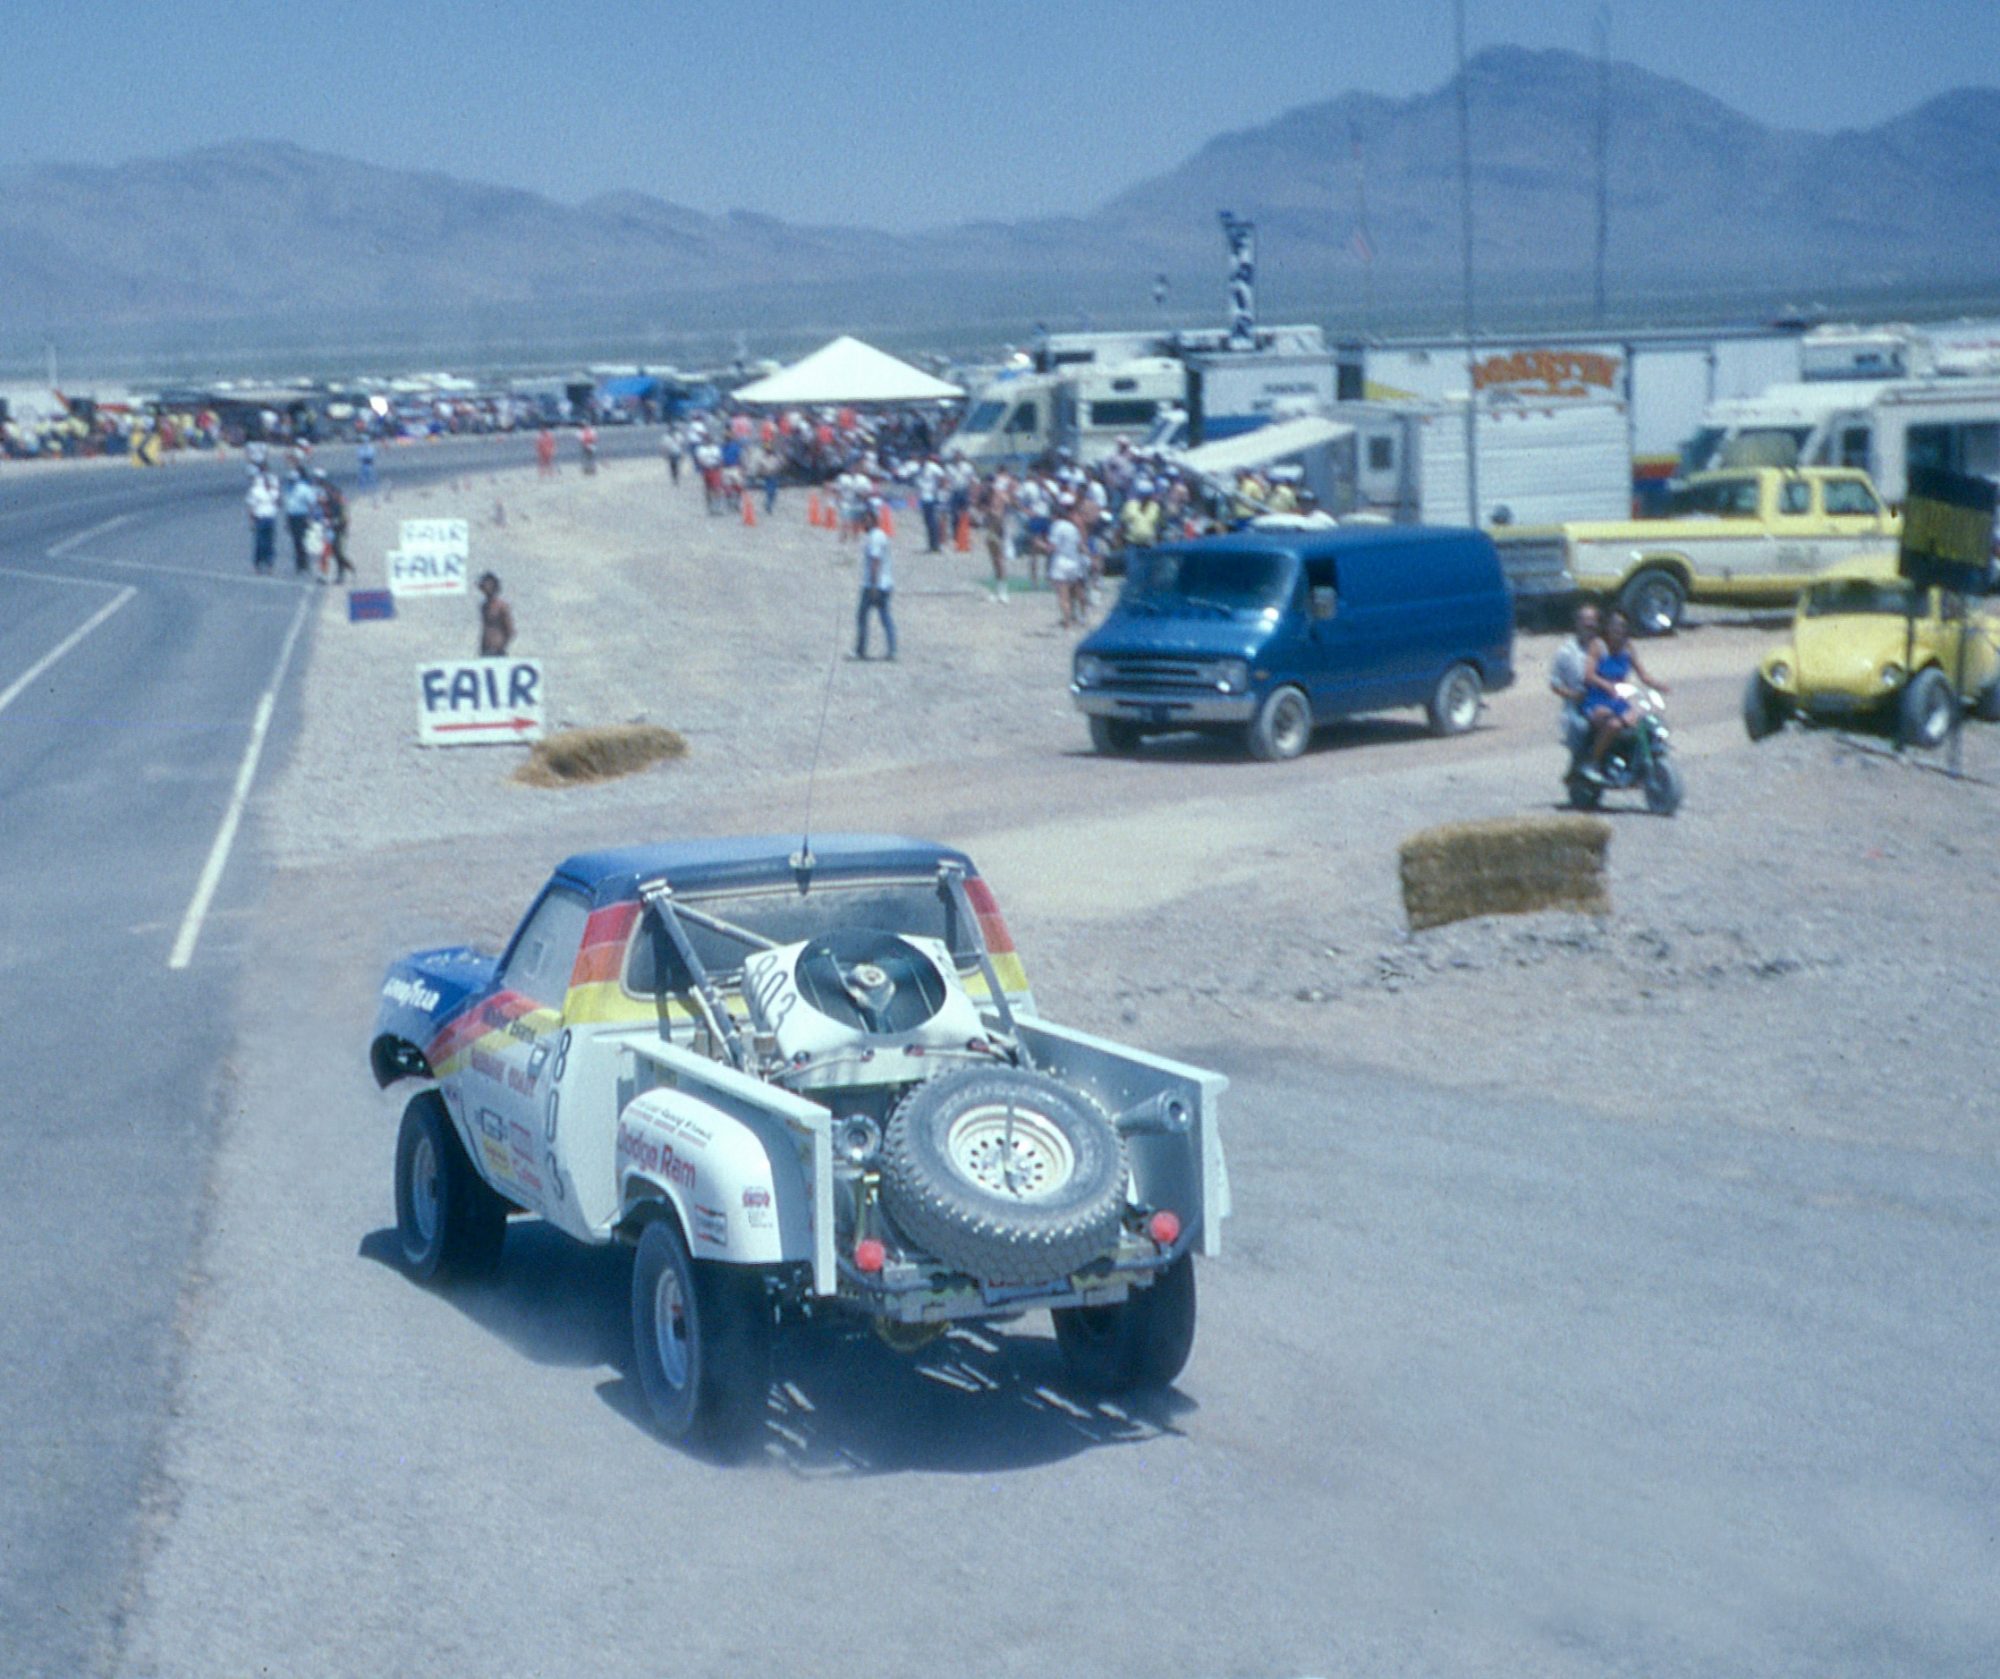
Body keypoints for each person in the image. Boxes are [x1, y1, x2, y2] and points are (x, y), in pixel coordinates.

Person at [1580, 608, 1667, 780]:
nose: (1619, 629)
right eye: (1615, 625)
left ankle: (1633, 763)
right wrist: (1606, 685)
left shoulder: (1628, 647)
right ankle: (1592, 763)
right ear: (1607, 626)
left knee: (1645, 721)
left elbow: (1643, 674)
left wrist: (1658, 685)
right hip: (1598, 699)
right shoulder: (1598, 646)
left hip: (1619, 699)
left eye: (1622, 626)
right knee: (1614, 725)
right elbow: (1588, 675)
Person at [1550, 602, 1600, 761]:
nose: (1589, 624)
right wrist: (1574, 695)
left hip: (1602, 702)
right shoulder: (1565, 652)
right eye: (1585, 620)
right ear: (1577, 623)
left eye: (1592, 620)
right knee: (1583, 728)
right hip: (1576, 708)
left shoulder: (1604, 647)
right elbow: (1555, 685)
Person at [855, 507, 896, 661]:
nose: (862, 524)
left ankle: (861, 650)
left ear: (871, 519)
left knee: (862, 617)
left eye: (864, 520)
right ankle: (892, 650)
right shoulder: (880, 535)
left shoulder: (875, 538)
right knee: (885, 618)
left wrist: (873, 585)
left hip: (875, 585)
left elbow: (875, 562)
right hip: (885, 583)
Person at [1047, 498, 1088, 629]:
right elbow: (1079, 545)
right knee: (1076, 591)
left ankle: (1067, 621)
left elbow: (1051, 547)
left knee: (1063, 596)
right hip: (1074, 561)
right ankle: (1081, 617)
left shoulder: (1056, 526)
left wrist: (1039, 544)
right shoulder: (1072, 527)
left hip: (1061, 562)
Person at [317, 471, 354, 584]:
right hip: (328, 530)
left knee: (338, 553)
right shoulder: (327, 503)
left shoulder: (340, 504)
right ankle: (323, 575)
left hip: (339, 530)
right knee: (325, 553)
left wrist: (332, 522)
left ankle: (344, 571)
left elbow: (344, 519)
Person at [282, 468, 319, 574]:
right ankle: (299, 563)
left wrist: (310, 517)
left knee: (302, 540)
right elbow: (288, 506)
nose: (290, 481)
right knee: (296, 541)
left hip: (302, 516)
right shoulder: (288, 489)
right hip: (292, 517)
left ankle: (304, 563)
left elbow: (311, 503)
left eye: (292, 480)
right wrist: (287, 521)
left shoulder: (304, 489)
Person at [245, 468, 280, 574]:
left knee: (270, 543)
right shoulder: (256, 491)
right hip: (260, 519)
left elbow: (279, 503)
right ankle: (257, 564)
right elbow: (251, 507)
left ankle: (270, 565)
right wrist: (251, 521)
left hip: (270, 519)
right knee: (260, 543)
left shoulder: (274, 492)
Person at [476, 572, 515, 656]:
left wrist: (501, 645)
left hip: (498, 649)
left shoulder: (501, 606)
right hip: (485, 649)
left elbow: (510, 630)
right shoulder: (484, 606)